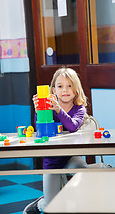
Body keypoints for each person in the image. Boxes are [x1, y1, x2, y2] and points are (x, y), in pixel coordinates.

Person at [23, 67, 98, 214]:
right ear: (53, 90)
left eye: (70, 86)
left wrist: (58, 110)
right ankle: (40, 204)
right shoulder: (48, 108)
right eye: (60, 86)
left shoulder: (79, 109)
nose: (65, 90)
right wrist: (39, 111)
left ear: (76, 89)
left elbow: (72, 126)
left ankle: (76, 200)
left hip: (71, 156)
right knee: (50, 207)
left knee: (84, 171)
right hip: (52, 160)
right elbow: (40, 130)